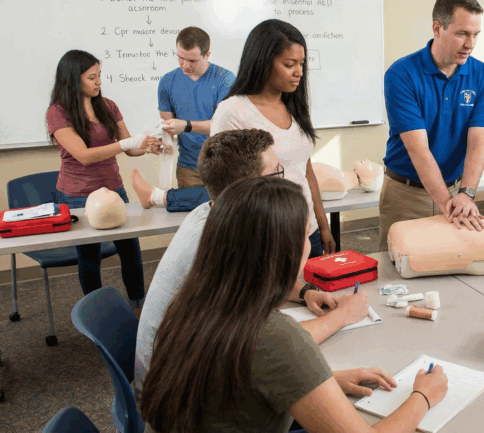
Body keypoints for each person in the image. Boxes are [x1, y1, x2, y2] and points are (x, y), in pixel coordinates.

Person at [138, 176, 449, 433]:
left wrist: (320, 382)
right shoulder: (273, 335)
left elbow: (236, 379)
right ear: (283, 253)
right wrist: (423, 395)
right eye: (305, 233)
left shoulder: (192, 301)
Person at [134, 129, 368, 391]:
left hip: (182, 379)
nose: (286, 181)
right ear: (250, 189)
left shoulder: (212, 213)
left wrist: (305, 292)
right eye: (278, 173)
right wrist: (343, 316)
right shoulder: (218, 245)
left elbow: (254, 288)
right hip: (179, 395)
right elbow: (270, 344)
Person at [45, 49, 163, 313]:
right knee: (89, 256)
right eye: (92, 77)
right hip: (78, 194)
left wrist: (148, 145)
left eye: (99, 76)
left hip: (113, 190)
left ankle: (138, 307)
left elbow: (130, 149)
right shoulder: (58, 112)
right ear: (73, 79)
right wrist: (125, 144)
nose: (99, 82)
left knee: (130, 250)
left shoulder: (108, 105)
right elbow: (84, 156)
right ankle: (96, 314)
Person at [378, 0, 484, 251]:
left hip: (458, 191)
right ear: (437, 28)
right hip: (406, 194)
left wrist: (466, 194)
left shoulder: (483, 76)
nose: (471, 43)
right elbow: (417, 149)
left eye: (476, 35)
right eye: (462, 33)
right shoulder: (401, 74)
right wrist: (448, 204)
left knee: (452, 271)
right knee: (397, 269)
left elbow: (478, 142)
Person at [211, 19, 335, 256]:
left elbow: (305, 171)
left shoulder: (294, 106)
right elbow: (226, 191)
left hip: (308, 231)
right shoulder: (233, 112)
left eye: (301, 63)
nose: (299, 72)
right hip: (267, 236)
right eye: (290, 64)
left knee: (313, 292)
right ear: (263, 62)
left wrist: (323, 225)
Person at [158, 26, 236, 188]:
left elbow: (224, 127)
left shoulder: (225, 80)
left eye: (192, 60)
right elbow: (167, 125)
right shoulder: (167, 82)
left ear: (207, 54)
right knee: (189, 212)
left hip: (224, 166)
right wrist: (162, 139)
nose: (185, 65)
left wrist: (185, 126)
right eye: (180, 57)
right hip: (188, 168)